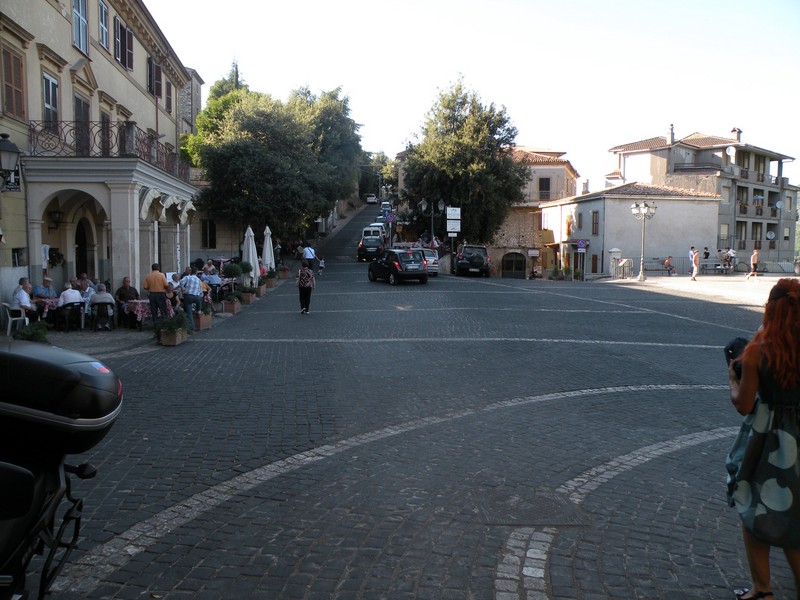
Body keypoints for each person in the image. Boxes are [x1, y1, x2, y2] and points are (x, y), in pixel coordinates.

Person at [726, 278, 800, 600]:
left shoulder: (758, 351)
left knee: (754, 509)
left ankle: (762, 589)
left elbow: (743, 405)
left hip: (768, 442)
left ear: (769, 310)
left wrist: (732, 376)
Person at [143, 263, 169, 330]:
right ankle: (165, 325)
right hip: (160, 294)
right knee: (163, 310)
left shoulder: (148, 276)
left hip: (152, 294)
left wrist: (151, 288)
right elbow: (166, 285)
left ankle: (156, 326)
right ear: (158, 268)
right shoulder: (161, 275)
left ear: (152, 268)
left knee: (154, 311)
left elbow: (145, 287)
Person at [177, 268, 203, 332]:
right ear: (196, 272)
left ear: (190, 272)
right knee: (198, 305)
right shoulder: (199, 280)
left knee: (189, 313)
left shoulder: (187, 277)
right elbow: (200, 291)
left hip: (189, 296)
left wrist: (183, 290)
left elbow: (180, 283)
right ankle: (198, 311)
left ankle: (192, 327)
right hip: (197, 297)